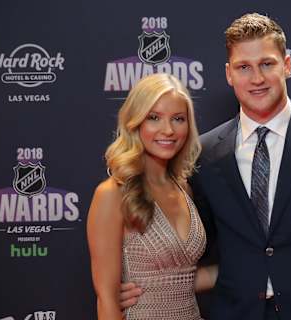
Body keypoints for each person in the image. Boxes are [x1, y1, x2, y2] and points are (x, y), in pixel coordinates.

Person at [121, 13, 291, 320]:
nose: (256, 78)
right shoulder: (203, 152)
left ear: (287, 65)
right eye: (244, 67)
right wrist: (151, 286)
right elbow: (196, 246)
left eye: (267, 64)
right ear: (230, 74)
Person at [87, 73, 217, 320]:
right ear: (135, 123)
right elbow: (107, 301)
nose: (167, 130)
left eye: (178, 119)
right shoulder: (112, 194)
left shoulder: (184, 189)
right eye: (154, 118)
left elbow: (181, 279)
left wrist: (258, 268)